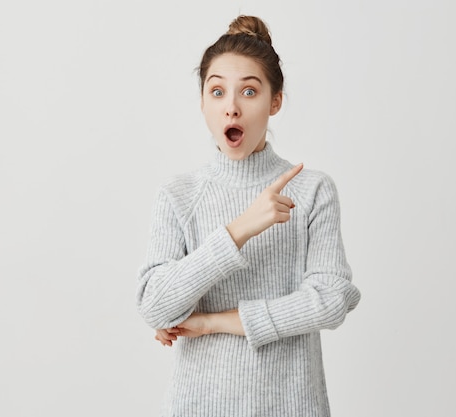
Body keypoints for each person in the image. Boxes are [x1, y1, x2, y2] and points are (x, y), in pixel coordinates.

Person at [136, 15, 361, 417]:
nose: (232, 108)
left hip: (292, 406)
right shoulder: (178, 195)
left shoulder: (312, 190)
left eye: (250, 92)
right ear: (202, 101)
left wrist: (211, 323)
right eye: (217, 91)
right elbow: (155, 307)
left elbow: (330, 301)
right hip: (198, 406)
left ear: (275, 101)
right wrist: (240, 229)